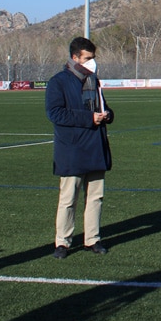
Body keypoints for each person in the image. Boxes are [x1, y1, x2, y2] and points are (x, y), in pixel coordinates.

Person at [46, 37, 114, 259]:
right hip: (72, 149)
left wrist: (108, 115)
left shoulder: (94, 81)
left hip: (95, 146)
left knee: (96, 196)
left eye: (93, 58)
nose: (92, 63)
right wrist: (89, 118)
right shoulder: (58, 82)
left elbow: (103, 107)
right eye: (88, 58)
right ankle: (62, 242)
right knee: (68, 198)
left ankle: (92, 239)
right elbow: (55, 113)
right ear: (75, 58)